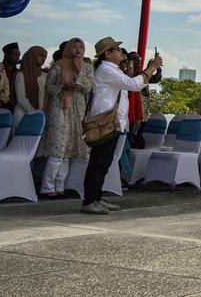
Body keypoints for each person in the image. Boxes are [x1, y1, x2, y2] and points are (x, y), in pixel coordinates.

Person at [81, 36, 162, 215]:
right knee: (99, 161)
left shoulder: (111, 69)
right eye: (117, 50)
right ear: (107, 54)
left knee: (104, 161)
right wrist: (152, 67)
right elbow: (133, 85)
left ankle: (96, 197)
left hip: (112, 121)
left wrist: (149, 70)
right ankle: (90, 200)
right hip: (105, 121)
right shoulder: (106, 70)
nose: (120, 52)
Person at [40, 38, 93, 199]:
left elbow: (89, 85)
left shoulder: (88, 68)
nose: (78, 50)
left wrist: (79, 84)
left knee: (68, 149)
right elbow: (49, 88)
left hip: (78, 108)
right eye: (74, 47)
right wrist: (64, 87)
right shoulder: (58, 66)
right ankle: (46, 187)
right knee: (58, 147)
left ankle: (60, 186)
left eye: (81, 47)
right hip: (60, 107)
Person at [13, 45, 47, 122]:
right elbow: (21, 98)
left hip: (41, 115)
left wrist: (41, 113)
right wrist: (34, 113)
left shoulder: (45, 76)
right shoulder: (21, 75)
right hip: (23, 115)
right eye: (41, 56)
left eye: (45, 56)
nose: (44, 59)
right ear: (33, 56)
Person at [1, 42, 21, 111]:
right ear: (7, 55)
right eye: (15, 55)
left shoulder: (19, 72)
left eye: (19, 55)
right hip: (1, 105)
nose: (18, 57)